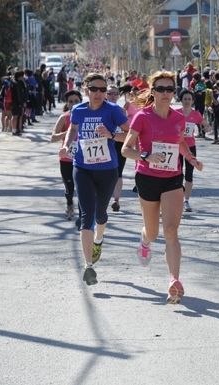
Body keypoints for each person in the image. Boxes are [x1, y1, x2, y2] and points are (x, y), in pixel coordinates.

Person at [121, 71, 204, 304]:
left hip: (172, 179)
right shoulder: (142, 117)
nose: (166, 93)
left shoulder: (179, 118)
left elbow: (181, 143)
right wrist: (146, 155)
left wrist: (192, 160)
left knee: (170, 231)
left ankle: (174, 280)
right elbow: (126, 149)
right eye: (161, 89)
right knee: (153, 231)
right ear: (153, 91)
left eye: (170, 89)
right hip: (147, 177)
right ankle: (145, 241)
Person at [59, 73, 129, 286]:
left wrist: (110, 134)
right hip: (82, 168)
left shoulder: (114, 110)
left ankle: (99, 240)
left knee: (100, 214)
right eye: (94, 89)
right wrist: (67, 143)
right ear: (86, 89)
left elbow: (129, 135)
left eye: (102, 89)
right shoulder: (78, 110)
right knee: (86, 214)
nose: (99, 93)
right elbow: (73, 129)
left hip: (107, 169)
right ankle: (89, 267)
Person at [51, 90, 82, 220]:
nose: (73, 104)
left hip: (83, 158)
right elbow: (53, 137)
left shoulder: (86, 115)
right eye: (70, 101)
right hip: (67, 158)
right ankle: (70, 204)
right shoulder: (64, 117)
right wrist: (68, 132)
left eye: (76, 101)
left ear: (81, 101)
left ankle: (82, 213)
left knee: (82, 187)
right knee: (69, 187)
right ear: (67, 103)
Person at [176, 89, 204, 212]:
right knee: (177, 172)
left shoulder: (196, 114)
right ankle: (176, 198)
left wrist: (205, 126)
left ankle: (186, 200)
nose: (187, 101)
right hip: (177, 146)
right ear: (181, 100)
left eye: (189, 99)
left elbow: (204, 123)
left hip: (190, 146)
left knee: (189, 173)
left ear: (192, 101)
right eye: (185, 99)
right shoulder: (175, 113)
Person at [105, 85, 129, 212]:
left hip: (118, 142)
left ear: (118, 96)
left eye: (115, 94)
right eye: (110, 94)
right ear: (106, 95)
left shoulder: (121, 110)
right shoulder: (100, 109)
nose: (112, 96)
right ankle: (103, 198)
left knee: (118, 171)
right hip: (104, 143)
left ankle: (116, 200)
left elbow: (127, 129)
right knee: (105, 171)